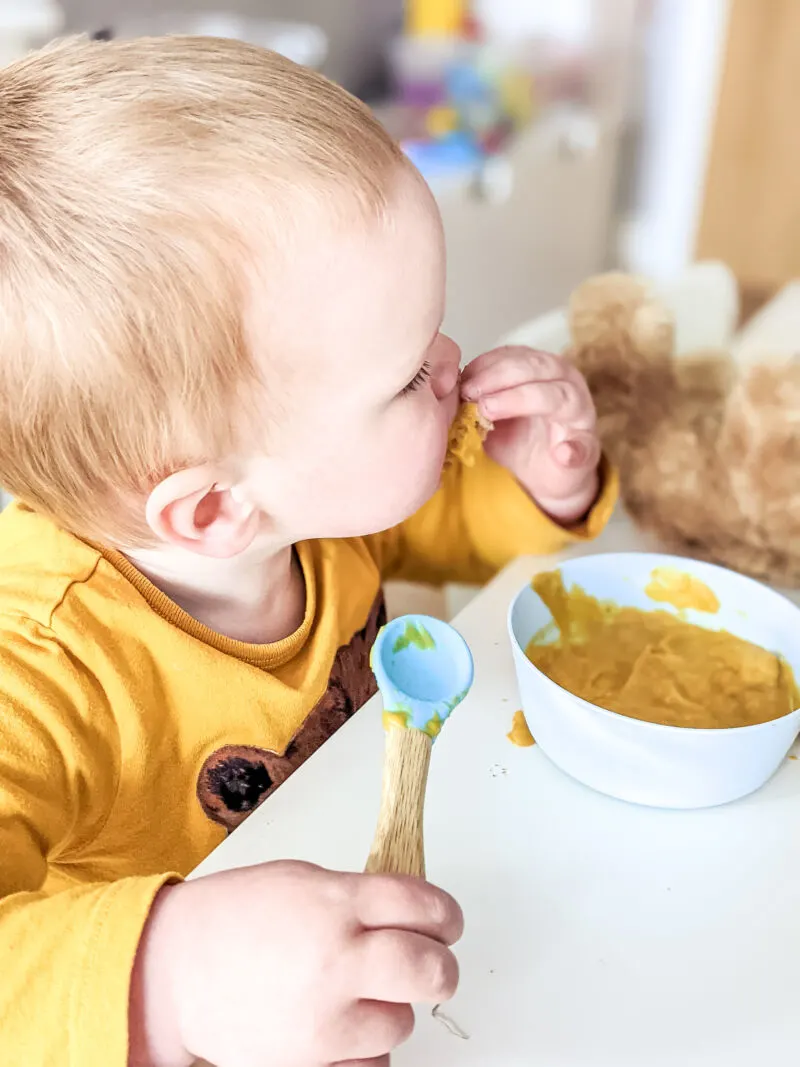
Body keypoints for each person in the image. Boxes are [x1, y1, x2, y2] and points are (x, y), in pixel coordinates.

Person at [0, 35, 616, 1067]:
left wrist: (539, 482)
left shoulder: (309, 502)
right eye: (405, 374)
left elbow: (444, 522)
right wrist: (167, 980)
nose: (451, 361)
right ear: (210, 513)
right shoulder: (39, 665)